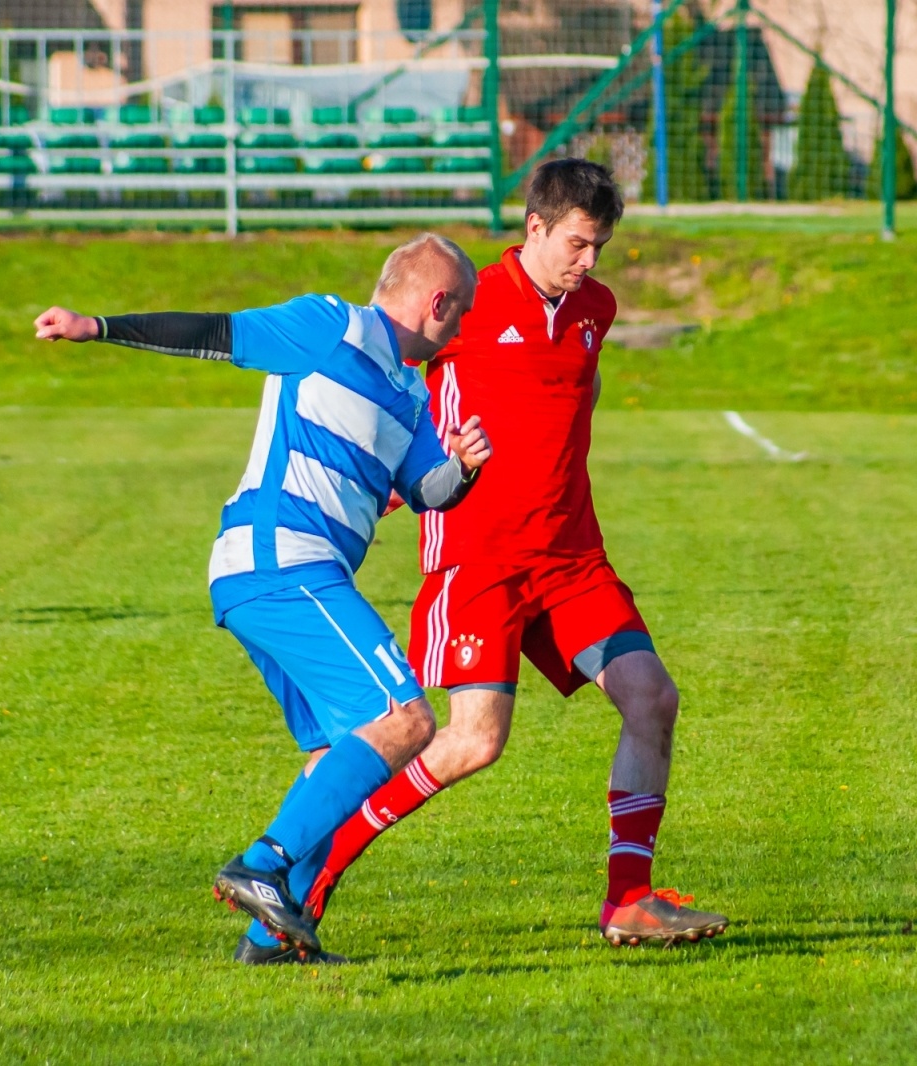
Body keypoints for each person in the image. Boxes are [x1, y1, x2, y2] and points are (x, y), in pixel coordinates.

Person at [33, 233, 493, 964]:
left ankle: (269, 940)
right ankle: (260, 863)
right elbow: (217, 333)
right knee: (404, 719)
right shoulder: (329, 327)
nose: (461, 329)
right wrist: (99, 327)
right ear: (436, 302)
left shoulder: (410, 392)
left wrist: (461, 470)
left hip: (285, 575)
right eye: (460, 313)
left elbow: (426, 490)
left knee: (336, 760)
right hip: (281, 561)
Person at [306, 160, 729, 947]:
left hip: (572, 556)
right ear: (535, 228)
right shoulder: (467, 304)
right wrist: (402, 476)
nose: (590, 261)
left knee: (651, 698)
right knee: (473, 741)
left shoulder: (593, 308)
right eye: (577, 242)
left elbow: (579, 394)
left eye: (600, 245)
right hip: (481, 556)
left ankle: (629, 898)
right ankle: (317, 864)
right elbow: (389, 381)